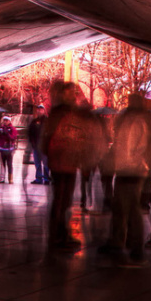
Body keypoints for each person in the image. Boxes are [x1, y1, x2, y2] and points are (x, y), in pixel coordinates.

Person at [106, 93, 151, 266]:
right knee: (127, 207)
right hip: (130, 169)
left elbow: (133, 146)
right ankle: (126, 243)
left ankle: (131, 245)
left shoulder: (134, 120)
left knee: (130, 207)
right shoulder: (137, 119)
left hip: (132, 169)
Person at [42, 81, 95, 253]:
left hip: (65, 161)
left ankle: (60, 235)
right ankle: (58, 237)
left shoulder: (63, 112)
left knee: (63, 202)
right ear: (63, 94)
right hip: (62, 162)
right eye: (71, 92)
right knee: (61, 201)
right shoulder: (63, 112)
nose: (74, 95)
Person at [28, 104, 50, 184]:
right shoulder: (34, 121)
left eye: (41, 109)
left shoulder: (48, 121)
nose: (39, 111)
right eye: (38, 109)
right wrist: (32, 142)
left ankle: (47, 179)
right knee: (37, 163)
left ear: (44, 110)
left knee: (46, 163)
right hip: (35, 145)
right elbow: (30, 132)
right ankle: (38, 178)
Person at [0, 116, 18, 183]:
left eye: (7, 120)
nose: (5, 122)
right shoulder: (1, 128)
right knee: (2, 164)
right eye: (4, 120)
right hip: (1, 147)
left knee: (9, 164)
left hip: (9, 148)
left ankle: (10, 179)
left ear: (9, 121)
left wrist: (7, 134)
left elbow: (13, 138)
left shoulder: (12, 129)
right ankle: (2, 178)